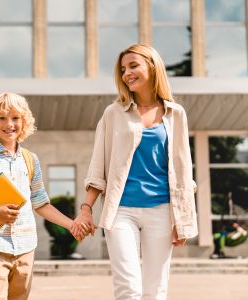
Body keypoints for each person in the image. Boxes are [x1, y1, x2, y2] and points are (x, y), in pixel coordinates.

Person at [71, 44, 198, 300]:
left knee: (155, 289)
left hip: (162, 210)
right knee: (128, 288)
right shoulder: (113, 113)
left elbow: (183, 170)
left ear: (152, 66)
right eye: (122, 69)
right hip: (121, 211)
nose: (127, 73)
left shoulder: (175, 114)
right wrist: (86, 207)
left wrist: (183, 219)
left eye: (133, 66)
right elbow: (99, 165)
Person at [0, 92, 84, 300]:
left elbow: (41, 203)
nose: (9, 124)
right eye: (2, 118)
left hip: (26, 246)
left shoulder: (30, 160)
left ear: (24, 122)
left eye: (15, 118)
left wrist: (71, 225)